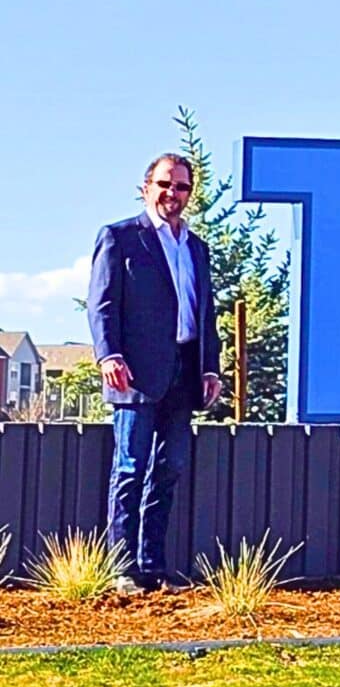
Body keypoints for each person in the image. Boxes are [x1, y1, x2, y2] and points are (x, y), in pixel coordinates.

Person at [87, 153, 223, 595]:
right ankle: (122, 568)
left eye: (182, 187)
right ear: (146, 187)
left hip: (184, 375)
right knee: (130, 468)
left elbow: (206, 314)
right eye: (165, 184)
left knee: (169, 469)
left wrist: (209, 367)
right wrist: (110, 355)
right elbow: (102, 305)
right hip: (135, 375)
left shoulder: (196, 247)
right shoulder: (121, 238)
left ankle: (153, 566)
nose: (173, 194)